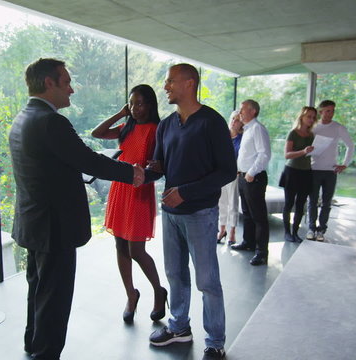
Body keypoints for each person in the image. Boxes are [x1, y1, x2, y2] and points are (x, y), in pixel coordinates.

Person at [8, 58, 144, 360]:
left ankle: (34, 345)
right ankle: (46, 354)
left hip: (34, 224)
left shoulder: (23, 117)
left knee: (39, 291)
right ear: (49, 83)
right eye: (66, 82)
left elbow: (63, 160)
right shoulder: (51, 121)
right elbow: (87, 159)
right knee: (55, 300)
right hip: (54, 227)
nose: (72, 89)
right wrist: (132, 173)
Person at [146, 63, 236, 360]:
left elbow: (227, 171)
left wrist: (185, 192)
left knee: (207, 281)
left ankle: (215, 341)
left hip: (200, 213)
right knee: (175, 274)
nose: (166, 86)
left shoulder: (212, 122)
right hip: (170, 215)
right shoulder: (166, 125)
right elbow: (160, 166)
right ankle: (179, 327)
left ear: (189, 83)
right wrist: (136, 172)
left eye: (170, 81)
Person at [91, 84, 167, 323]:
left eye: (140, 103)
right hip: (120, 190)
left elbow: (157, 165)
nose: (136, 108)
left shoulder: (156, 129)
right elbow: (98, 133)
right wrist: (121, 113)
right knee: (121, 247)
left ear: (151, 105)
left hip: (140, 190)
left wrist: (149, 170)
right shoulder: (126, 127)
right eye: (132, 103)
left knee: (136, 250)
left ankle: (158, 290)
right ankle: (131, 295)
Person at [230, 100, 271, 266]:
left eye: (243, 109)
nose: (240, 112)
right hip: (243, 177)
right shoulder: (247, 129)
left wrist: (252, 173)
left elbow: (264, 154)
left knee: (259, 216)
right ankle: (248, 242)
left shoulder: (258, 129)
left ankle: (261, 252)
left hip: (253, 178)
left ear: (253, 111)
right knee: (247, 213)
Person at [307, 100, 354, 241]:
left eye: (333, 111)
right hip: (314, 168)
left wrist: (345, 164)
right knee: (312, 201)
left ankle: (322, 229)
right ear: (320, 112)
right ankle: (311, 227)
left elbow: (350, 145)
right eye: (327, 111)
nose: (330, 113)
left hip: (330, 170)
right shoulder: (313, 127)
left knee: (327, 202)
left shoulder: (338, 127)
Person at [281, 106, 316, 243]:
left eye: (313, 117)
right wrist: (303, 151)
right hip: (292, 172)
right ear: (302, 117)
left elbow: (311, 154)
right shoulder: (293, 133)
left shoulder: (312, 135)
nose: (311, 120)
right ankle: (287, 232)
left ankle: (295, 232)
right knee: (289, 203)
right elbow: (287, 154)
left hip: (306, 172)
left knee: (301, 204)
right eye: (309, 116)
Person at [217, 110, 243, 245]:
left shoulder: (242, 139)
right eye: (233, 119)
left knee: (232, 203)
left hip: (234, 175)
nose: (234, 122)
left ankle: (232, 231)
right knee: (221, 203)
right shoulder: (222, 136)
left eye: (238, 120)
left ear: (241, 124)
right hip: (221, 174)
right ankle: (222, 230)